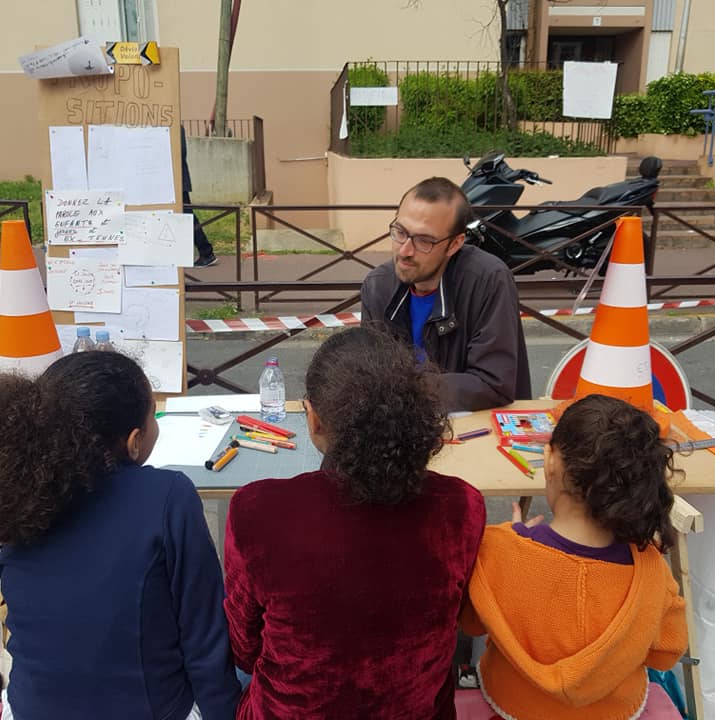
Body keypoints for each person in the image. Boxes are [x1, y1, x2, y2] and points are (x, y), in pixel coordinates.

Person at [0, 351, 240, 720]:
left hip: (31, 708)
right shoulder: (167, 494)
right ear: (134, 442)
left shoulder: (23, 491)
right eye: (153, 414)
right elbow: (205, 640)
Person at [223, 326, 486, 719]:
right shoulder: (462, 507)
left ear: (313, 419)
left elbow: (243, 650)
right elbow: (459, 618)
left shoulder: (257, 510)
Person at [460, 394, 688, 720]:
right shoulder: (651, 570)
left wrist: (516, 537)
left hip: (512, 701)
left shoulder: (495, 549)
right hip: (617, 710)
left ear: (550, 461)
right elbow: (666, 653)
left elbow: (470, 623)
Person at [361, 176, 531, 412]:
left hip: (476, 429)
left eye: (424, 241)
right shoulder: (378, 286)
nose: (405, 251)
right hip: (402, 427)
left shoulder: (488, 280)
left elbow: (493, 384)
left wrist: (404, 388)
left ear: (454, 244)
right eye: (400, 232)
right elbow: (370, 373)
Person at [181, 124, 218, 267]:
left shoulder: (174, 127)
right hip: (176, 180)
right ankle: (204, 252)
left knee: (187, 216)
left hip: (178, 182)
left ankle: (206, 252)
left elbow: (180, 152)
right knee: (185, 216)